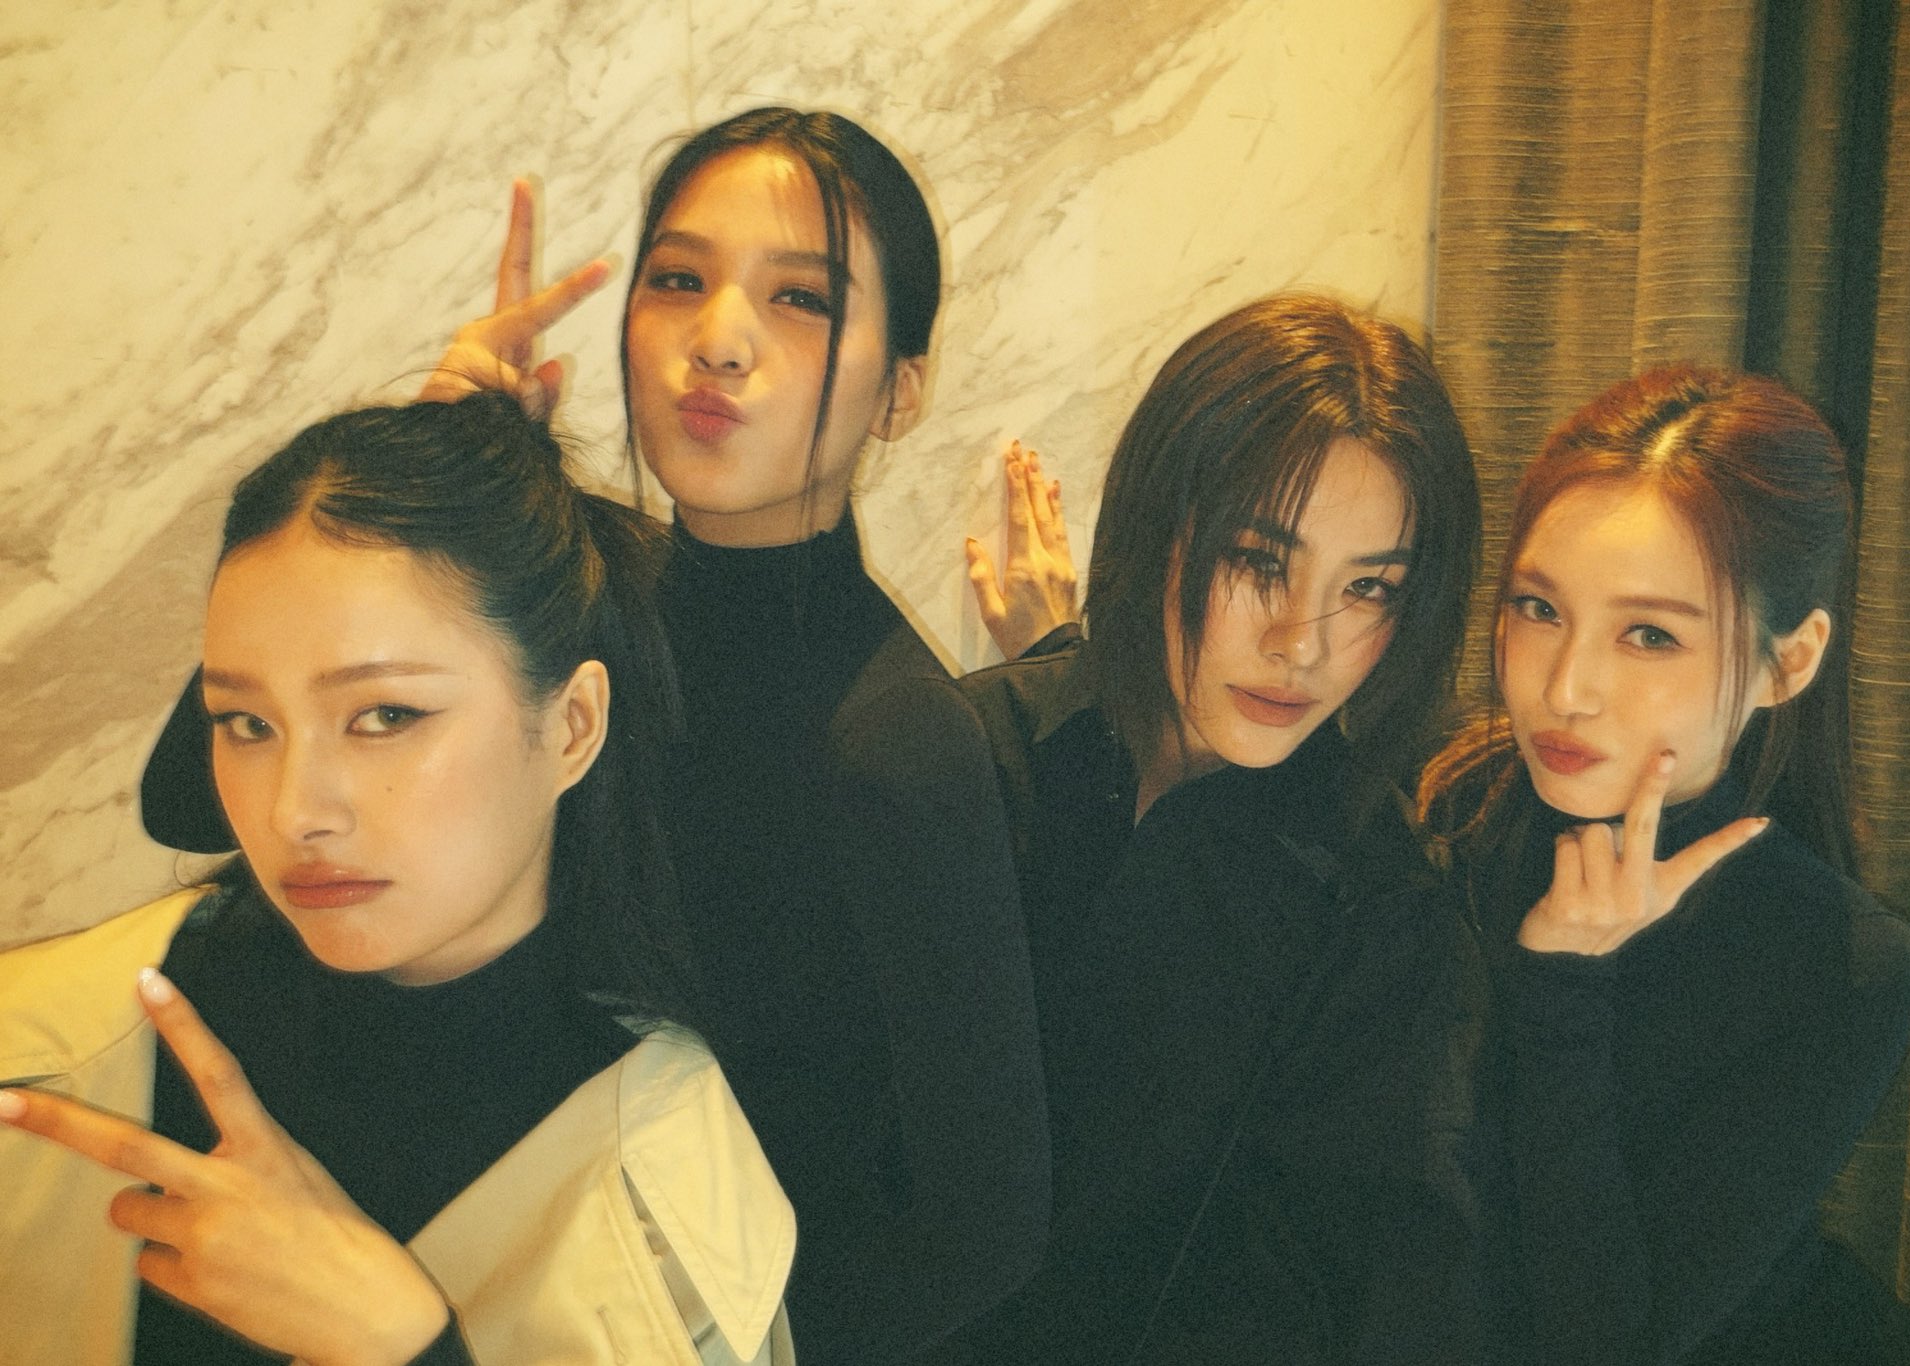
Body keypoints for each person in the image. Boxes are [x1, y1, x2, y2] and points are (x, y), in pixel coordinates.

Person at [137, 108, 1047, 1363]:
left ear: (901, 391)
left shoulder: (896, 744)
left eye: (799, 299)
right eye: (677, 280)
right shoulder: (590, 585)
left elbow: (987, 1221)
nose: (717, 339)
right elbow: (190, 800)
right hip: (451, 1242)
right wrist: (441, 461)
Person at [0, 392, 794, 1365]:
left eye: (384, 716)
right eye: (247, 723)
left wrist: (404, 1348)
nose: (294, 812)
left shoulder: (669, 1181)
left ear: (571, 726)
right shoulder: (48, 1051)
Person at [903, 292, 1484, 1363]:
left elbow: (1342, 1291)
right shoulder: (966, 759)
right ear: (1157, 525)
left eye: (1367, 588)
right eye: (1258, 561)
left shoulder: (1379, 905)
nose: (1301, 642)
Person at [1418, 365, 1910, 1364]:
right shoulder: (1440, 808)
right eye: (1537, 608)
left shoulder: (1840, 962)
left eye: (1649, 635)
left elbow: (1597, 1341)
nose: (1565, 689)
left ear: (1788, 661)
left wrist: (1562, 984)